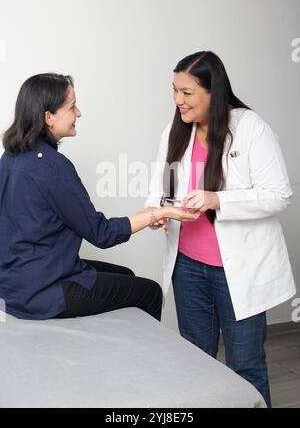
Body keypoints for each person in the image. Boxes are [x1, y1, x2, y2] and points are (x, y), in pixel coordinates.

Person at [145, 51, 296, 407]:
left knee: (245, 366)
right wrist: (162, 210)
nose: (177, 100)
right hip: (188, 268)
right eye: (174, 90)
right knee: (196, 362)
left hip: (237, 272)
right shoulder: (175, 131)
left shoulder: (250, 128)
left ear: (214, 91)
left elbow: (279, 195)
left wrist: (219, 200)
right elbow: (161, 186)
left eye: (187, 92)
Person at [0, 73, 200, 323]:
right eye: (72, 106)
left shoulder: (11, 157)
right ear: (48, 117)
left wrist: (151, 213)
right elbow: (101, 233)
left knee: (125, 274)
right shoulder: (53, 167)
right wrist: (160, 212)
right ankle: (140, 360)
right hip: (42, 291)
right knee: (149, 293)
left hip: (14, 283)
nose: (79, 112)